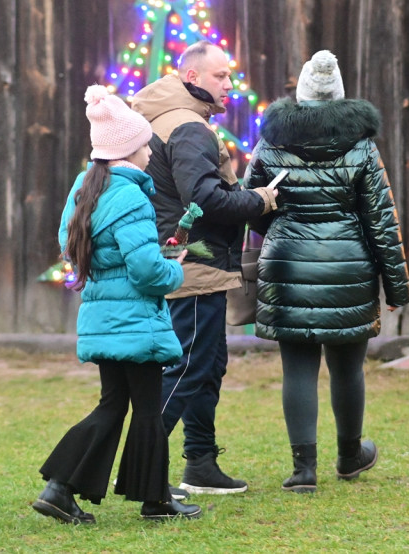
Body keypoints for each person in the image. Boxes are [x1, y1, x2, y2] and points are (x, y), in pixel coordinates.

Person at [243, 50, 409, 494]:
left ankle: (303, 470)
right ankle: (350, 455)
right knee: (347, 368)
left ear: (299, 94)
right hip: (348, 265)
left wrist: (280, 228)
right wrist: (396, 286)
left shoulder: (269, 142)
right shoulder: (361, 146)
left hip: (285, 263)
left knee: (297, 368)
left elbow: (251, 203)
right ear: (338, 96)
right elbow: (380, 219)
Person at [32, 85, 201, 524]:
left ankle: (63, 489)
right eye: (145, 143)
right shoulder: (131, 198)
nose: (150, 151)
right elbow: (146, 272)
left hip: (103, 314)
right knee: (146, 407)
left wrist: (128, 262)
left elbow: (71, 246)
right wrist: (175, 268)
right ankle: (153, 500)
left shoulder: (85, 188)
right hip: (135, 319)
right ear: (129, 149)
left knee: (114, 404)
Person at [131, 40, 279, 495]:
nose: (229, 85)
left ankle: (201, 463)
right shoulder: (190, 128)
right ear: (192, 78)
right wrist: (260, 199)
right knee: (189, 365)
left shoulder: (165, 118)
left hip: (189, 261)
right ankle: (142, 469)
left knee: (208, 365)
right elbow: (204, 200)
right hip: (191, 263)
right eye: (220, 76)